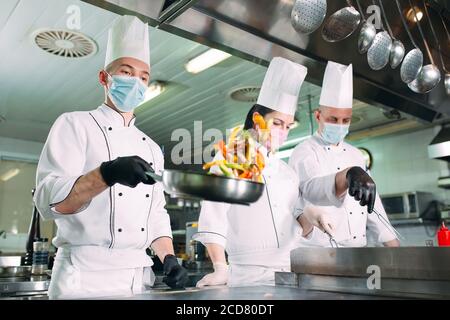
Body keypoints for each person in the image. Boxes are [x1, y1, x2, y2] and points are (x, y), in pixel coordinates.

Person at [34, 15, 187, 299]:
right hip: (82, 277)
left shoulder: (152, 148)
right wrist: (106, 174)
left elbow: (155, 214)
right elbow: (48, 200)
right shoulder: (74, 124)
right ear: (104, 77)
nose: (136, 83)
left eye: (143, 77)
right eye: (127, 73)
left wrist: (168, 257)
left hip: (136, 279)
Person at [193, 57, 307, 288]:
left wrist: (310, 215)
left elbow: (296, 216)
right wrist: (220, 267)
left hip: (293, 272)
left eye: (288, 125)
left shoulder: (287, 172)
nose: (283, 132)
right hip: (248, 276)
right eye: (277, 123)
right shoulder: (231, 158)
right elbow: (213, 214)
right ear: (257, 120)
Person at [289, 61, 400, 248]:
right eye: (333, 119)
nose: (339, 125)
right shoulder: (304, 152)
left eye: (345, 120)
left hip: (358, 252)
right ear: (318, 116)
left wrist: (395, 250)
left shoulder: (356, 154)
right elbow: (314, 190)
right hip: (321, 254)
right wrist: (346, 176)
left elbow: (372, 205)